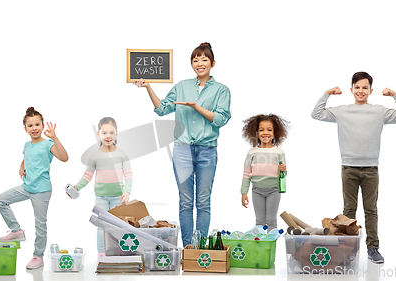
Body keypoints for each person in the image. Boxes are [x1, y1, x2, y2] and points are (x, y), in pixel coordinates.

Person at [134, 42, 231, 247]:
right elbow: (162, 109)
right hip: (183, 149)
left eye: (204, 59)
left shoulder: (222, 90)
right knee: (186, 201)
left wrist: (196, 107)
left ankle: (200, 247)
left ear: (213, 63)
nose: (199, 63)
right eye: (195, 60)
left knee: (203, 201)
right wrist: (148, 87)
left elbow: (221, 119)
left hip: (207, 150)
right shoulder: (181, 86)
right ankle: (188, 247)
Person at [311, 71, 396, 263]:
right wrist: (327, 93)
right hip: (349, 167)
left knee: (371, 210)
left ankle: (373, 248)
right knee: (349, 210)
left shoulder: (379, 111)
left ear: (370, 90)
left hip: (371, 168)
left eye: (365, 88)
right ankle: (348, 249)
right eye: (357, 87)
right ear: (351, 90)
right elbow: (316, 114)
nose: (361, 91)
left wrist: (395, 96)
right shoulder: (342, 111)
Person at [0, 107, 69, 269]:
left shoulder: (48, 144)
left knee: (40, 225)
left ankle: (38, 256)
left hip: (42, 190)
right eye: (30, 125)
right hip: (26, 187)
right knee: (0, 200)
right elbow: (25, 157)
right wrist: (21, 167)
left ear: (42, 126)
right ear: (25, 129)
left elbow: (64, 158)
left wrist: (55, 138)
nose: (34, 128)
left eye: (37, 124)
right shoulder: (27, 145)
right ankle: (16, 231)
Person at [68, 117, 132, 255]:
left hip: (118, 197)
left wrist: (127, 192)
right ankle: (101, 253)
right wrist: (76, 188)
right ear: (98, 134)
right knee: (101, 227)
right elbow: (87, 175)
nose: (108, 136)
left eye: (111, 132)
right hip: (101, 197)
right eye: (104, 133)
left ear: (116, 133)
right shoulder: (95, 154)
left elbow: (128, 175)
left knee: (117, 226)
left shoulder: (122, 154)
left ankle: (116, 252)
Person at [240, 114, 289, 230]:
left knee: (271, 220)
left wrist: (284, 170)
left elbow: (283, 175)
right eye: (261, 130)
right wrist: (244, 192)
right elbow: (246, 174)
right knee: (259, 221)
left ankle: (271, 247)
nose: (265, 133)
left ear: (275, 133)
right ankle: (260, 247)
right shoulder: (252, 152)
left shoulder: (279, 152)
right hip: (257, 190)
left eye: (269, 130)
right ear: (256, 133)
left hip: (274, 190)